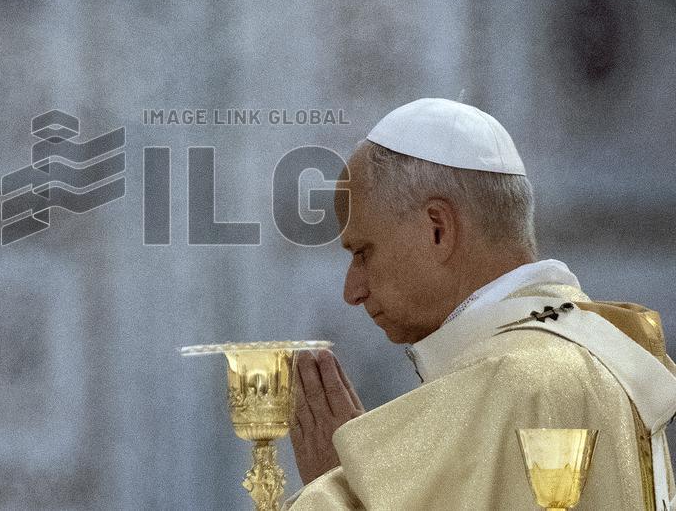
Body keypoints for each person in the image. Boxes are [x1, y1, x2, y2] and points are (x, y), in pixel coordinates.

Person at [286, 98, 676, 510]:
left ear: (438, 229)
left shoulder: (510, 382)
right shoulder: (603, 355)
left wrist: (339, 490)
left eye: (362, 253)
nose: (352, 291)